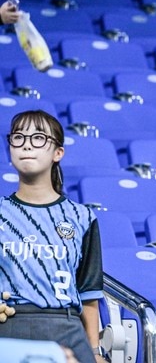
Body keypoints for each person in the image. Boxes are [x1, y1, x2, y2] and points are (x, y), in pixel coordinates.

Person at [0, 110, 106, 363]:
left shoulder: (81, 217)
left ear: (58, 153)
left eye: (38, 138)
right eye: (18, 137)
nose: (26, 144)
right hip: (9, 324)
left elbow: (89, 292)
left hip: (66, 325)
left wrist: (95, 352)